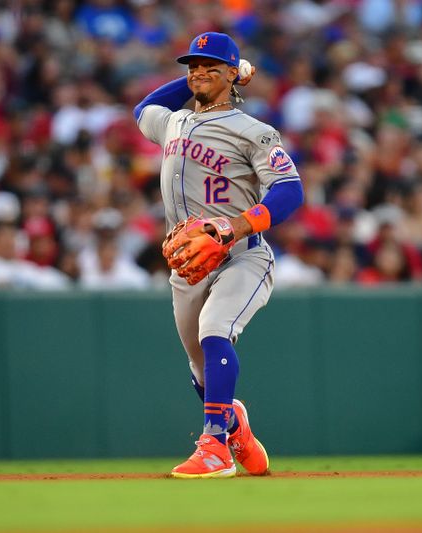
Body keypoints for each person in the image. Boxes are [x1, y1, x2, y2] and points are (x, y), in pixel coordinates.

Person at [134, 32, 304, 478]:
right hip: (187, 263)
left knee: (216, 331)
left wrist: (236, 225)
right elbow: (143, 108)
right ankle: (235, 426)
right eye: (193, 65)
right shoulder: (173, 123)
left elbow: (290, 190)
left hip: (241, 254)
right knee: (200, 365)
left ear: (232, 73)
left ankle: (214, 446)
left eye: (211, 64)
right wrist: (216, 75)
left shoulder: (255, 131)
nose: (198, 72)